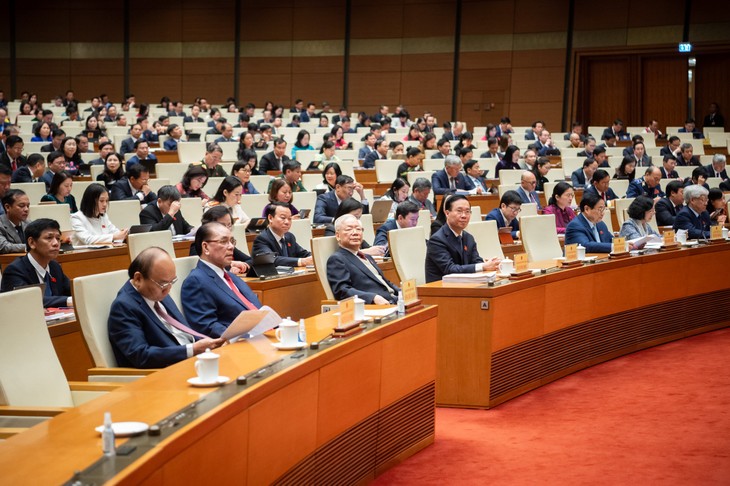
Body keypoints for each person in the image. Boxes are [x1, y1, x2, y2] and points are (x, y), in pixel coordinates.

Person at [108, 247, 224, 369]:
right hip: (166, 373)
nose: (168, 290)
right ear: (138, 279)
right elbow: (141, 356)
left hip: (193, 361)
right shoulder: (124, 307)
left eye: (172, 281)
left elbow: (184, 332)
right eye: (163, 284)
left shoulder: (159, 291)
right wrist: (191, 350)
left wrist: (209, 345)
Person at [181, 222, 262, 338]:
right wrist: (247, 336)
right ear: (206, 247)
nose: (231, 246)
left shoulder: (231, 276)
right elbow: (207, 326)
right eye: (224, 241)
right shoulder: (196, 281)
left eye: (231, 241)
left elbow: (255, 308)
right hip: (236, 346)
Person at [327, 214, 400, 304]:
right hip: (374, 306)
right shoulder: (337, 259)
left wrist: (402, 292)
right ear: (338, 236)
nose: (355, 233)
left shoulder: (367, 257)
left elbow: (384, 282)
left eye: (358, 229)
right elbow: (342, 291)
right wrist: (373, 298)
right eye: (349, 229)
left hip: (395, 300)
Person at [425, 195, 500, 283]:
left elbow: (476, 260)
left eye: (467, 212)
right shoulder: (437, 240)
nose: (464, 216)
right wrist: (483, 266)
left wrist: (491, 263)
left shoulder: (468, 238)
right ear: (447, 213)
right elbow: (450, 269)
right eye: (459, 211)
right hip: (442, 290)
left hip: (465, 285)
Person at [0, 218, 72, 308]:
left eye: (58, 238)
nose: (56, 243)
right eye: (49, 238)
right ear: (32, 242)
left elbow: (71, 290)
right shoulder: (15, 270)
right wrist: (68, 300)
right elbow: (28, 300)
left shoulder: (54, 266)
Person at [189, 206, 253, 276]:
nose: (227, 229)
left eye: (229, 225)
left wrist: (243, 266)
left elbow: (251, 261)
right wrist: (230, 265)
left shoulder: (228, 246)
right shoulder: (196, 247)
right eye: (222, 225)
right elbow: (206, 268)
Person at [252, 202, 313, 267]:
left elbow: (303, 254)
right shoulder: (262, 239)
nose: (287, 222)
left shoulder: (289, 236)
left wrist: (315, 257)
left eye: (289, 218)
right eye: (283, 218)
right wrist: (302, 261)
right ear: (270, 218)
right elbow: (272, 260)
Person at [0, 189, 30, 253]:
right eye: (21, 206)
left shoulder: (28, 223)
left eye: (28, 206)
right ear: (7, 207)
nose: (26, 209)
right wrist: (28, 247)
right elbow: (3, 246)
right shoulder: (1, 224)